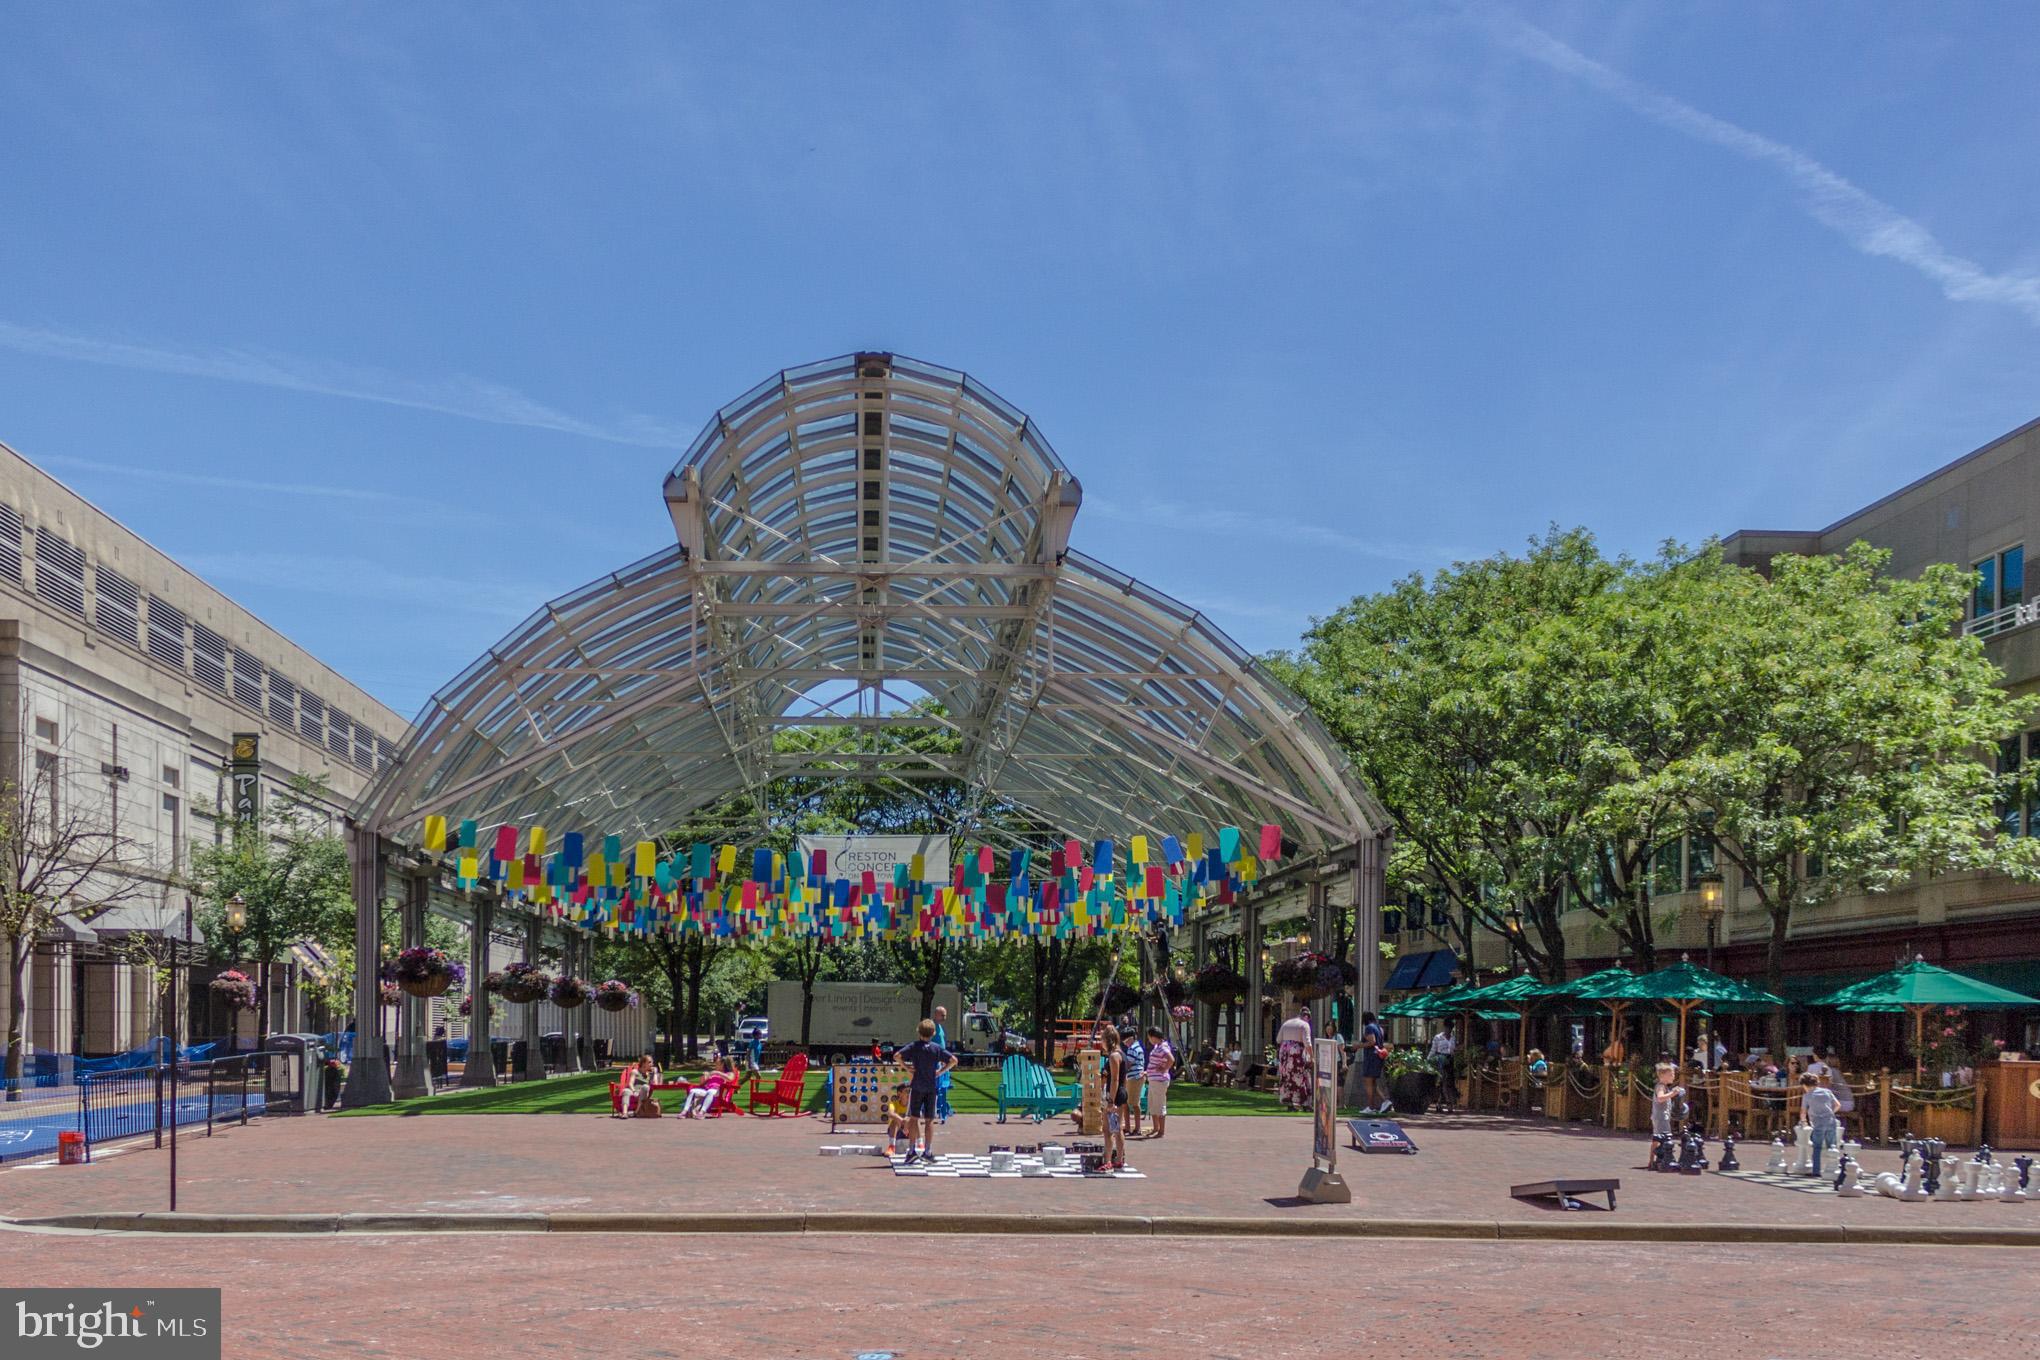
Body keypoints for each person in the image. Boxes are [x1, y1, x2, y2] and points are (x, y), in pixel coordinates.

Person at [896, 1019, 956, 1164]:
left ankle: (911, 1151)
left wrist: (907, 1067)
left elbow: (897, 1056)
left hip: (917, 1086)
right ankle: (927, 1151)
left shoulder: (914, 1046)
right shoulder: (936, 1048)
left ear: (919, 1031)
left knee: (914, 1118)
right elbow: (953, 1060)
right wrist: (940, 1071)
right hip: (930, 1087)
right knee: (929, 1120)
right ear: (933, 1033)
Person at [1098, 1025, 1129, 1171]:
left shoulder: (1113, 1056)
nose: (1101, 1043)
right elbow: (1124, 1079)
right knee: (1117, 1128)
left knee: (1108, 1130)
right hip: (1121, 1093)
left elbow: (1115, 1079)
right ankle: (1119, 1159)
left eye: (1102, 1040)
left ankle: (1108, 1160)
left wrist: (1111, 1101)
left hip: (1115, 1095)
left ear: (1107, 1040)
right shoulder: (1122, 1054)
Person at [1276, 1003, 1314, 1111]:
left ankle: (1290, 1103)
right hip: (1296, 1053)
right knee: (1302, 1076)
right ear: (1307, 1017)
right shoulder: (1304, 1024)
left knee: (1287, 1077)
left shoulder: (1287, 1023)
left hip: (1284, 1052)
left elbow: (1278, 1039)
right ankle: (1305, 1104)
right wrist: (1312, 1057)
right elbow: (1307, 1043)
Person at [1802, 1073, 1841, 1177]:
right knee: (1832, 1146)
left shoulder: (1807, 1096)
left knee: (1817, 1147)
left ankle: (1816, 1171)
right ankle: (1835, 1168)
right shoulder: (1827, 1091)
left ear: (1804, 1085)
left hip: (1817, 1123)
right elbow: (1838, 1105)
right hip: (1830, 1120)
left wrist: (1803, 1121)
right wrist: (1831, 1112)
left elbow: (1803, 1112)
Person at [1141, 1025, 1174, 1139]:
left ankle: (1161, 1131)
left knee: (1159, 1105)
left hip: (1159, 1080)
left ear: (1154, 1037)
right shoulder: (1157, 1047)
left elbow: (1171, 1059)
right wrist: (1148, 1072)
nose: (1149, 1040)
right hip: (1153, 1079)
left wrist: (1164, 1068)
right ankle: (1156, 1128)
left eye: (1149, 1037)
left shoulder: (1163, 1047)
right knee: (1153, 1105)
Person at [1357, 1009, 1386, 1115]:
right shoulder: (1379, 1028)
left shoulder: (1369, 1028)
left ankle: (1371, 1106)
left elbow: (1372, 1042)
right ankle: (1384, 1101)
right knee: (1373, 1082)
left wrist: (1358, 1046)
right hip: (1378, 1057)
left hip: (1371, 1057)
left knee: (1368, 1081)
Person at [614, 1054, 658, 1118]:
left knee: (645, 1086)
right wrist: (634, 1091)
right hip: (633, 1090)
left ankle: (636, 1112)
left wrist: (655, 1073)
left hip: (643, 1092)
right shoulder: (635, 1071)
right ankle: (625, 1113)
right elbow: (630, 1083)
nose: (651, 1064)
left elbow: (655, 1084)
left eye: (652, 1062)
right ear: (643, 1063)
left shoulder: (649, 1074)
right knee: (626, 1091)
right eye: (649, 1062)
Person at [1650, 1061, 1685, 1140]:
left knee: (1658, 1138)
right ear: (1662, 1076)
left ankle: (1655, 1148)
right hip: (1660, 1117)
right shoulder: (1661, 1087)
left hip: (1663, 1117)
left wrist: (1672, 1092)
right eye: (1671, 1075)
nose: (1673, 1077)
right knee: (1663, 1138)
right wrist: (1673, 1093)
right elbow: (1660, 1098)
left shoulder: (1664, 1087)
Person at [1122, 1026, 1148, 1136]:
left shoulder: (1132, 1049)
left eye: (1126, 1040)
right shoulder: (1136, 1047)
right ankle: (1128, 1127)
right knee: (1127, 1103)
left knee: (1134, 1103)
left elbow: (1128, 1064)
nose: (1125, 1043)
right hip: (1134, 1077)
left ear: (1131, 1038)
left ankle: (1137, 1128)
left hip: (1134, 1078)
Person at [931, 1005, 954, 1123]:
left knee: (942, 1086)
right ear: (936, 1015)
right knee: (936, 1087)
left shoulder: (940, 1027)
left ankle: (944, 1107)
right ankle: (935, 1109)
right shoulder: (932, 1027)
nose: (945, 1017)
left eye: (945, 1015)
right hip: (935, 1060)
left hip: (942, 1059)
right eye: (942, 1015)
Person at [1427, 1026, 1458, 1112]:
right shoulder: (1438, 1037)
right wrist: (1428, 1059)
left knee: (1449, 1082)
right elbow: (1433, 1049)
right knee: (1443, 1082)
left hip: (1450, 1061)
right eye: (1447, 1028)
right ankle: (1447, 1103)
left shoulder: (1453, 1038)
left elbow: (1453, 1050)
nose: (1449, 1030)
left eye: (1450, 1029)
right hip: (1441, 1060)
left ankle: (1440, 1103)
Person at [883, 1082, 912, 1153]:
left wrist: (907, 1123)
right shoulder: (894, 1104)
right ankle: (891, 1146)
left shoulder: (912, 1105)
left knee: (915, 1121)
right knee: (894, 1120)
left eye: (910, 1092)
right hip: (897, 1130)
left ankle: (918, 1144)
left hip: (909, 1131)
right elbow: (890, 1113)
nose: (909, 1094)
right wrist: (902, 1121)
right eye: (907, 1091)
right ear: (899, 1094)